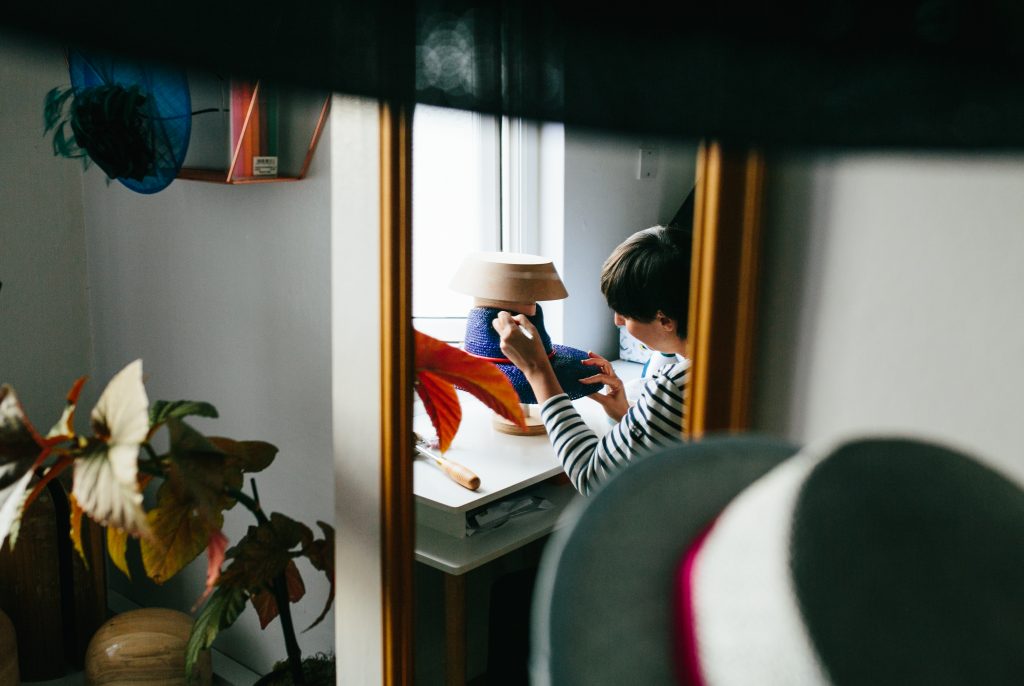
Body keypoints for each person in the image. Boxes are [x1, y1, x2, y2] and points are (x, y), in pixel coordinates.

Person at [493, 224, 691, 495]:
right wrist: (629, 416)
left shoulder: (675, 386)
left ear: (665, 320)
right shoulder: (735, 362)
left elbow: (592, 478)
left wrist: (536, 368)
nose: (617, 321)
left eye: (625, 314)